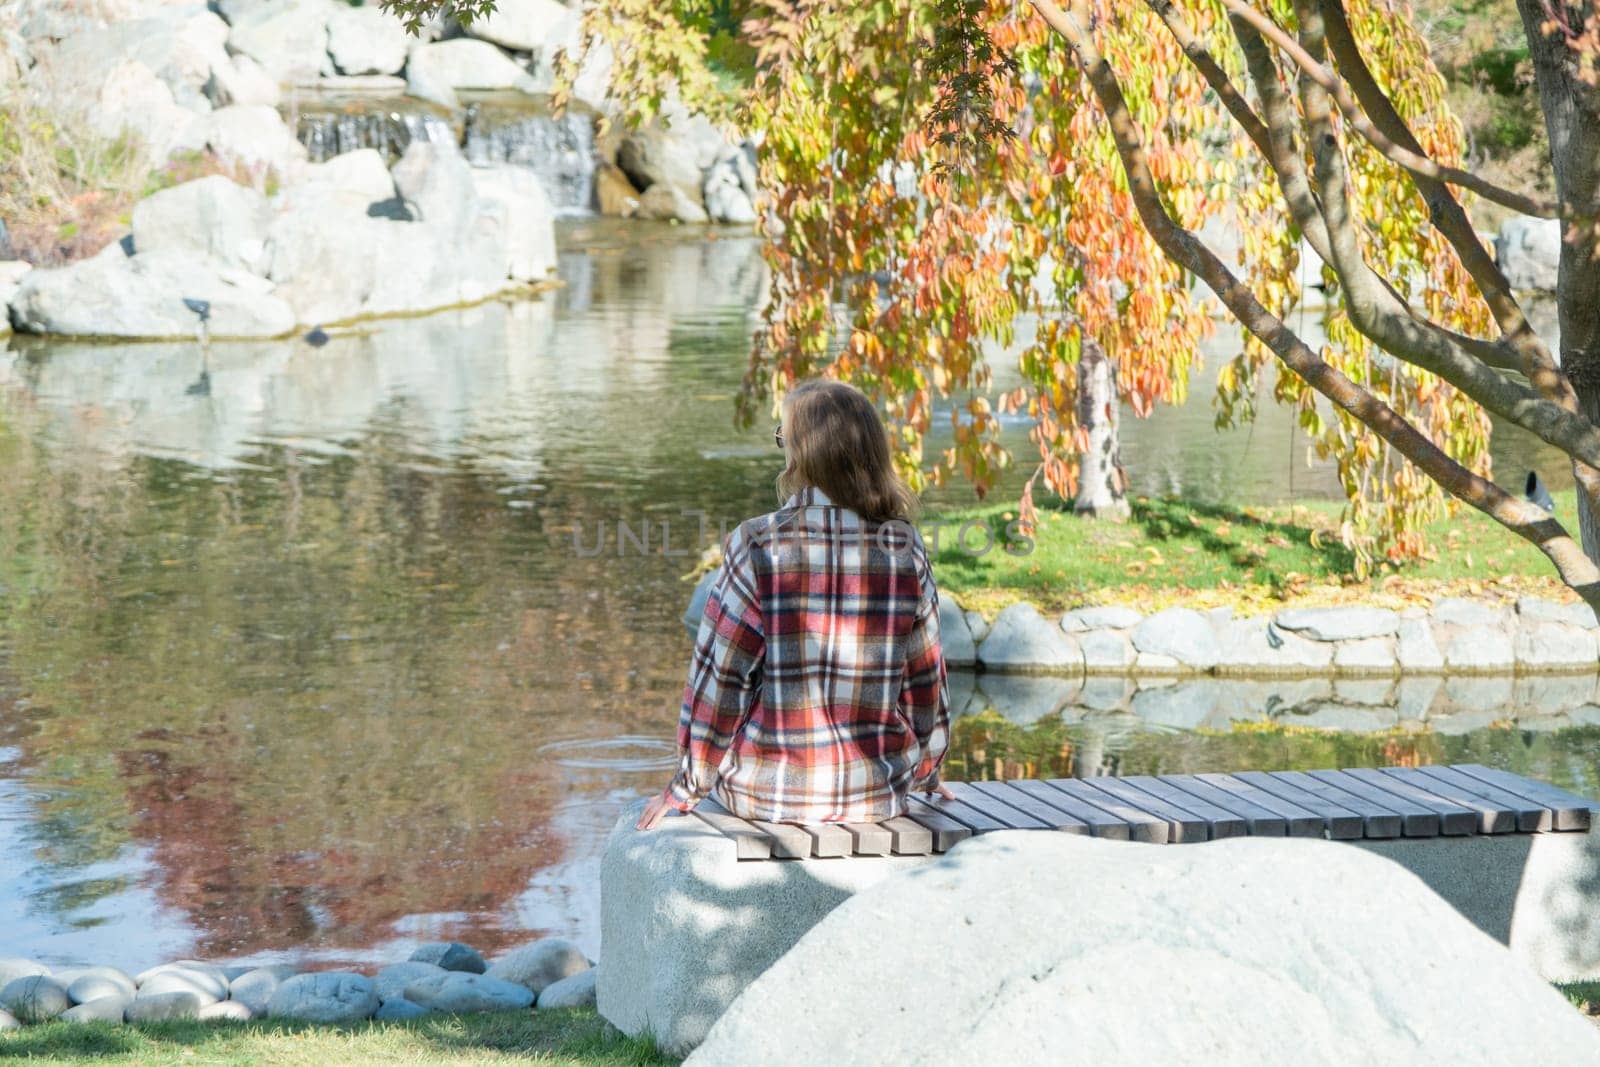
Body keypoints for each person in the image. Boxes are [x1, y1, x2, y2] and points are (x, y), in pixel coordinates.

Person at [636, 379, 952, 829]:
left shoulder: (758, 543)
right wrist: (927, 768)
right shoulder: (905, 545)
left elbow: (721, 679)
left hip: (769, 793)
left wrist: (686, 787)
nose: (782, 449)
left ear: (804, 453)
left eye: (783, 437)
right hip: (876, 793)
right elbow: (926, 679)